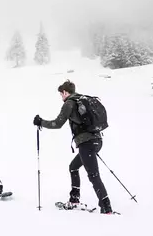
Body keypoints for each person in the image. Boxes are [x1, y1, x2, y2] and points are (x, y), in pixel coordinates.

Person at [33, 80, 113, 214]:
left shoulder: (69, 103)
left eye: (61, 94)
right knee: (73, 167)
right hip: (97, 140)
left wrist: (41, 122)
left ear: (65, 92)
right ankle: (74, 199)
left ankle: (106, 207)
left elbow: (57, 123)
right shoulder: (82, 100)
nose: (61, 97)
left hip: (86, 143)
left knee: (93, 175)